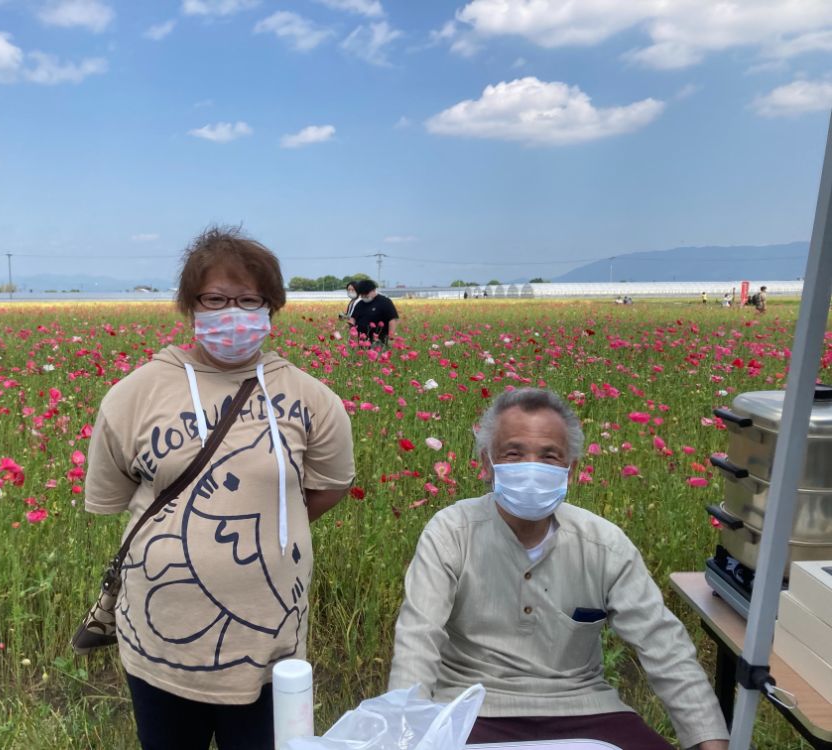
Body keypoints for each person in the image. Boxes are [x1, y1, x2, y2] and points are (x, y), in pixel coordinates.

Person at [84, 226, 356, 750]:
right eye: (215, 298)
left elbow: (328, 488)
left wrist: (263, 529)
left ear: (271, 308)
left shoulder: (312, 398)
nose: (233, 311)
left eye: (249, 299)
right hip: (159, 642)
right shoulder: (132, 396)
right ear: (190, 307)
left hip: (271, 647)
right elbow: (117, 498)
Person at [388, 387, 729, 750]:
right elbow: (417, 640)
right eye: (514, 454)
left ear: (570, 471)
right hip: (472, 703)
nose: (531, 469)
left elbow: (665, 647)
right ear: (487, 465)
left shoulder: (603, 543)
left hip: (584, 707)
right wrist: (403, 731)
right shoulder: (451, 532)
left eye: (549, 457)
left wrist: (709, 740)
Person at [348, 279, 399, 345]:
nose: (364, 296)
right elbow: (353, 319)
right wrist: (352, 333)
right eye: (362, 294)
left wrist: (391, 338)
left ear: (373, 290)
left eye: (366, 294)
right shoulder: (360, 304)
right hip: (361, 342)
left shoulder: (385, 302)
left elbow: (392, 319)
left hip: (378, 341)